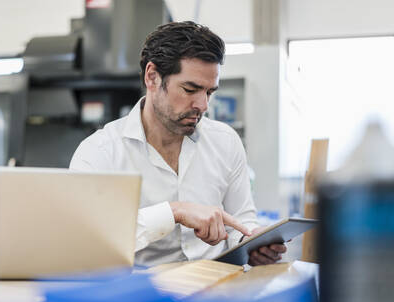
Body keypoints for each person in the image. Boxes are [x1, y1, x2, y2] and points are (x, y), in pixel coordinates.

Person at [70, 21, 286, 267]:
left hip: (216, 287)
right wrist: (174, 212)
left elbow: (242, 221)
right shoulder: (99, 153)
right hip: (142, 295)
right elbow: (87, 243)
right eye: (190, 89)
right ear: (152, 77)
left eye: (209, 93)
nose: (203, 105)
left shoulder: (225, 142)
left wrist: (251, 242)